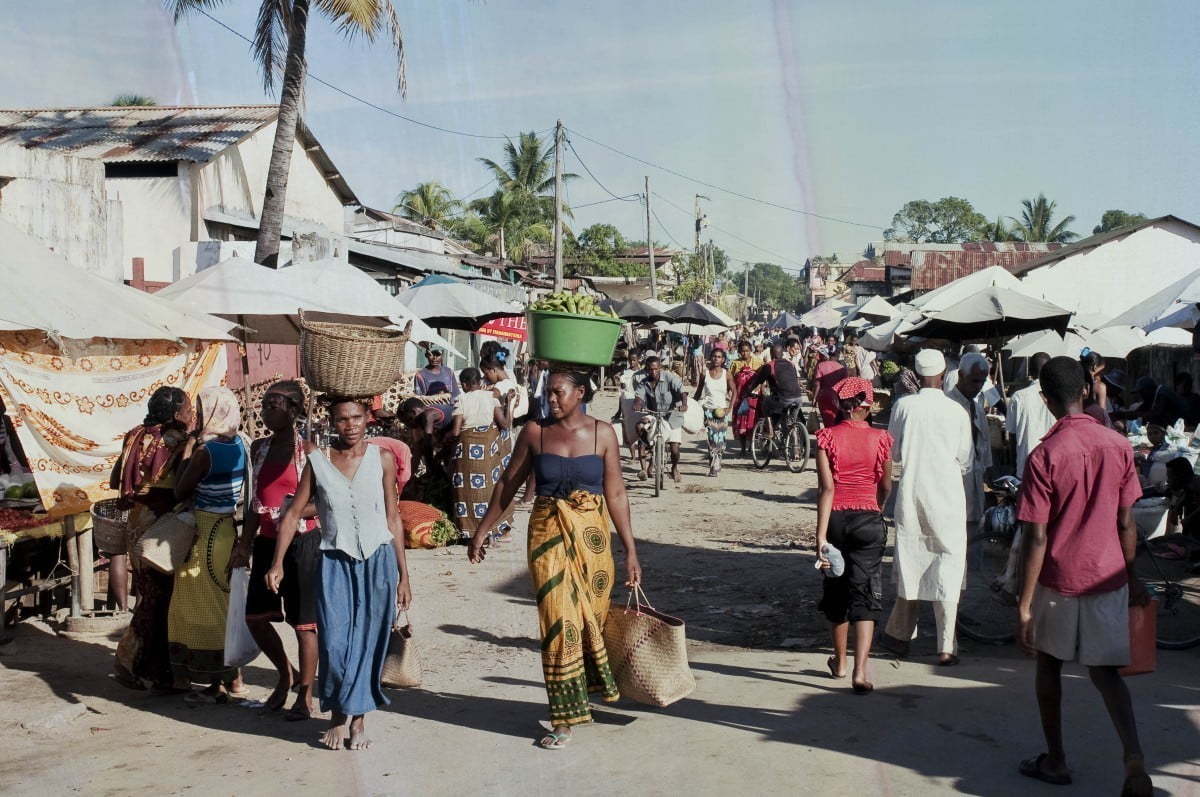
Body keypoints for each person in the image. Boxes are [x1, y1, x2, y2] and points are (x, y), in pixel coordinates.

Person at [466, 368, 642, 750]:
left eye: (559, 392)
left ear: (580, 393)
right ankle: (562, 717)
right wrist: (482, 531)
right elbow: (508, 483)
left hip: (593, 544)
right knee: (558, 623)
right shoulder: (535, 432)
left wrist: (630, 550)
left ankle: (583, 695)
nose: (551, 399)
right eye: (548, 393)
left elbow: (616, 493)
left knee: (591, 621)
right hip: (547, 538)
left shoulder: (603, 434)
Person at [1015, 356, 1152, 796]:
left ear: (1045, 400)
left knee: (1048, 666)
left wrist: (1024, 604)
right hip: (1108, 575)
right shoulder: (1118, 445)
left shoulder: (1044, 455)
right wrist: (1132, 577)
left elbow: (1036, 537)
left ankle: (1056, 760)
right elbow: (1127, 523)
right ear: (1087, 391)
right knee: (1107, 674)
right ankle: (1133, 758)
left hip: (1058, 578)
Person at [268, 397, 412, 752]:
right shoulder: (318, 463)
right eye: (343, 419)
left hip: (377, 560)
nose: (351, 425)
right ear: (332, 423)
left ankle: (357, 718)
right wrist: (277, 562)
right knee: (334, 642)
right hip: (334, 561)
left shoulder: (382, 459)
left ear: (367, 419)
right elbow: (292, 514)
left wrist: (403, 575)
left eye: (356, 418)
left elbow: (393, 518)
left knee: (368, 641)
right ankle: (337, 712)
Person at [231, 381, 320, 719]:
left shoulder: (309, 452)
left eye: (274, 405)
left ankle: (305, 696)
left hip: (302, 543)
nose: (266, 412)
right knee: (255, 617)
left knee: (304, 624)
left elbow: (325, 502)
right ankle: (286, 674)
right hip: (267, 542)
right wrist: (244, 545)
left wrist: (292, 513)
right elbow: (255, 501)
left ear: (294, 410)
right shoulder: (259, 449)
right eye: (264, 405)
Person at [883, 350, 974, 665]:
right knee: (948, 565)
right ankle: (946, 646)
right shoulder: (957, 411)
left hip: (912, 493)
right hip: (948, 497)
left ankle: (899, 637)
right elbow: (965, 461)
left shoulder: (903, 406)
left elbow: (892, 452)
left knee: (911, 561)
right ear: (944, 373)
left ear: (916, 374)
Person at [110, 387, 194, 692]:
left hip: (136, 521)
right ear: (175, 414)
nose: (192, 414)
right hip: (161, 526)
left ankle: (159, 673)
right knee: (160, 597)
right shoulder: (177, 440)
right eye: (188, 409)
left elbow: (116, 478)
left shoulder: (135, 434)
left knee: (151, 593)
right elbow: (185, 483)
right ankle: (128, 658)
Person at [814, 377, 893, 694]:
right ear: (867, 406)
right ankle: (860, 672)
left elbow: (826, 489)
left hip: (835, 521)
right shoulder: (881, 438)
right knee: (865, 591)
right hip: (869, 520)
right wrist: (877, 507)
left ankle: (840, 663)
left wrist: (820, 538)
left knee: (836, 588)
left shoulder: (827, 437)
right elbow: (885, 485)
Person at [169, 386, 248, 701]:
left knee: (198, 607)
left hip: (202, 532)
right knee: (221, 604)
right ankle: (234, 677)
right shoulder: (241, 444)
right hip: (226, 530)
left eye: (202, 412)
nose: (198, 418)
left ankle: (214, 683)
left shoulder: (206, 452)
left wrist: (189, 447)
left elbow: (180, 490)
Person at [449, 367, 514, 542]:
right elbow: (505, 424)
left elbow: (456, 432)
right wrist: (509, 403)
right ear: (480, 382)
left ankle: (470, 531)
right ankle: (492, 529)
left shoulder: (461, 400)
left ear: (464, 384)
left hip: (467, 452)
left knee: (466, 491)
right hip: (487, 452)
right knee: (489, 488)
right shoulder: (491, 397)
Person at [947, 352, 994, 534]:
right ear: (961, 375)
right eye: (975, 381)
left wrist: (988, 478)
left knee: (974, 535)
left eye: (982, 382)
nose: (978, 387)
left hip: (975, 483)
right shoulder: (947, 407)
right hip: (952, 484)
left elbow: (985, 448)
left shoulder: (977, 409)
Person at [633, 355, 688, 483]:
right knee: (639, 426)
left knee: (674, 449)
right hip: (654, 414)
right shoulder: (644, 382)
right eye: (650, 369)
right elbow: (639, 396)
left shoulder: (669, 378)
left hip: (672, 415)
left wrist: (684, 404)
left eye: (656, 369)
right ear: (646, 369)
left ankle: (674, 467)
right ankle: (650, 447)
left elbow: (682, 391)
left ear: (660, 368)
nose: (653, 372)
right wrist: (637, 404)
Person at [736, 343, 808, 431]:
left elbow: (758, 382)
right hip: (798, 398)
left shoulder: (769, 366)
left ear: (770, 354)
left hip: (784, 399)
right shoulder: (791, 364)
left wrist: (748, 392)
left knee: (765, 403)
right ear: (782, 353)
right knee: (790, 423)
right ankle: (791, 435)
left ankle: (770, 430)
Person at [1006, 352, 1056, 477]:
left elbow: (1012, 436)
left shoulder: (1018, 396)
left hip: (1026, 466)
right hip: (1053, 464)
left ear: (1030, 372)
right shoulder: (1058, 394)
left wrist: (1013, 466)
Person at [694, 348, 735, 476]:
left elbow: (735, 392)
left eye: (719, 357)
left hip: (722, 411)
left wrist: (729, 408)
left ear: (723, 360)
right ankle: (713, 466)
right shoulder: (704, 374)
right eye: (714, 356)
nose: (716, 359)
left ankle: (717, 462)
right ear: (710, 358)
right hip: (708, 411)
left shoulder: (727, 374)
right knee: (712, 439)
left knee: (720, 440)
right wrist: (692, 405)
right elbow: (698, 393)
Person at [399, 397, 455, 474]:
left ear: (414, 412)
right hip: (450, 446)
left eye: (408, 420)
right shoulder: (417, 424)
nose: (409, 425)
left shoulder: (429, 414)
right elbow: (417, 452)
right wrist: (409, 476)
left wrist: (430, 471)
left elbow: (427, 446)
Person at [729, 341, 764, 455]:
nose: (745, 353)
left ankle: (751, 446)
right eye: (742, 351)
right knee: (741, 422)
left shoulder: (758, 362)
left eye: (747, 351)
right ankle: (743, 448)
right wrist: (729, 392)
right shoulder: (735, 364)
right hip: (740, 397)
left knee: (753, 421)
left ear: (751, 351)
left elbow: (762, 379)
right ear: (739, 352)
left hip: (754, 397)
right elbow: (730, 379)